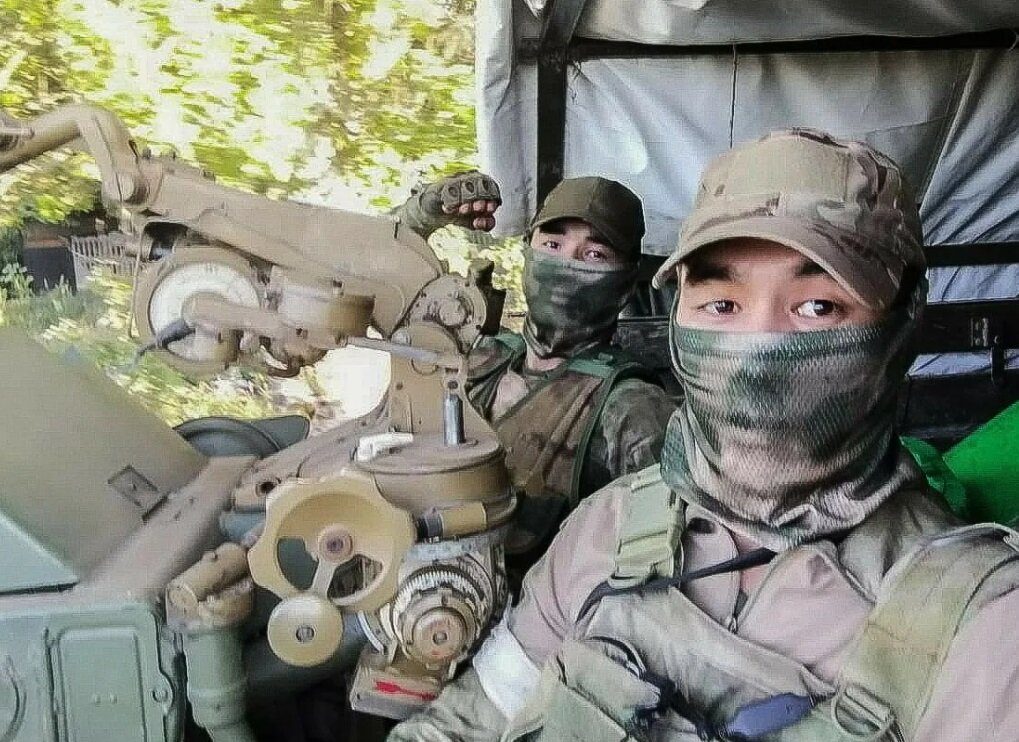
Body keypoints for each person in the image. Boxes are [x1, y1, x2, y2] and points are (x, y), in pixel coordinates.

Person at [388, 130, 1019, 741]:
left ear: (901, 328)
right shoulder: (610, 525)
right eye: (723, 306)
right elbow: (473, 719)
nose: (757, 348)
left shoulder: (979, 621)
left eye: (818, 307)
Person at [398, 173, 675, 571]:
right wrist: (420, 219)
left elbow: (658, 564)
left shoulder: (631, 411)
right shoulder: (476, 357)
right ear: (528, 251)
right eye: (552, 245)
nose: (566, 263)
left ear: (626, 283)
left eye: (594, 255)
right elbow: (372, 296)